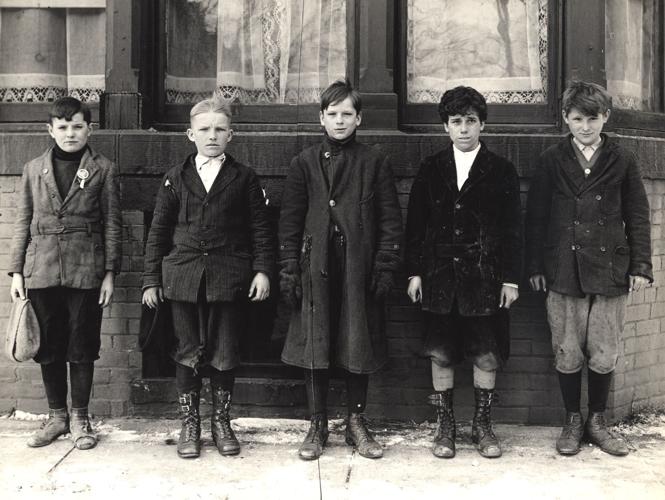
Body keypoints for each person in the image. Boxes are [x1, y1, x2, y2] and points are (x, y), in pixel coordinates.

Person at [525, 81, 652, 457]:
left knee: (604, 348)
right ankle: (572, 419)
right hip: (564, 268)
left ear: (605, 117)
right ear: (565, 118)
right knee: (566, 347)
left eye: (592, 118)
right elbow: (536, 217)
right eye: (577, 118)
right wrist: (535, 264)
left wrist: (641, 265)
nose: (585, 126)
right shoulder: (551, 159)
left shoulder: (623, 158)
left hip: (612, 269)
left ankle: (597, 420)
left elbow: (638, 216)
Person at [142, 97, 274, 459]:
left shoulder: (244, 177)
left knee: (224, 350)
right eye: (204, 129)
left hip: (228, 276)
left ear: (231, 134)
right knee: (186, 351)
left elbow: (260, 229)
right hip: (183, 278)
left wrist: (262, 271)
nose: (212, 136)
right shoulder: (176, 177)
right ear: (190, 134)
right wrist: (151, 279)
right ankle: (190, 424)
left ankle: (221, 422)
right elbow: (158, 231)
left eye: (219, 129)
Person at [278, 78, 403, 460]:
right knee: (316, 340)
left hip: (357, 267)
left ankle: (356, 421)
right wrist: (289, 269)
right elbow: (290, 220)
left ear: (359, 118)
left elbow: (389, 220)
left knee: (356, 338)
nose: (340, 121)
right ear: (321, 118)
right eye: (332, 114)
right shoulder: (304, 163)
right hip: (315, 266)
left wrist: (384, 266)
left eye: (347, 114)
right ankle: (317, 423)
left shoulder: (374, 162)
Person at [405, 86, 521, 459]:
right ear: (446, 127)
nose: (464, 128)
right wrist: (414, 274)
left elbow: (513, 229)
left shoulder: (501, 170)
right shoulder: (431, 168)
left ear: (482, 124)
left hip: (485, 278)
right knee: (441, 351)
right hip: (439, 277)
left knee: (486, 352)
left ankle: (482, 425)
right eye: (456, 121)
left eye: (471, 120)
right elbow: (416, 226)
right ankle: (446, 426)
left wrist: (510, 278)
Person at [8, 97, 122, 450]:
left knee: (82, 344)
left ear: (89, 129)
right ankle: (57, 416)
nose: (70, 133)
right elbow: (22, 222)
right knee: (49, 346)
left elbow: (112, 224)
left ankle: (80, 418)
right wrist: (16, 272)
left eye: (77, 126)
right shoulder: (33, 169)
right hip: (41, 270)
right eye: (63, 127)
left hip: (86, 271)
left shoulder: (103, 168)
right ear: (50, 130)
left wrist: (109, 273)